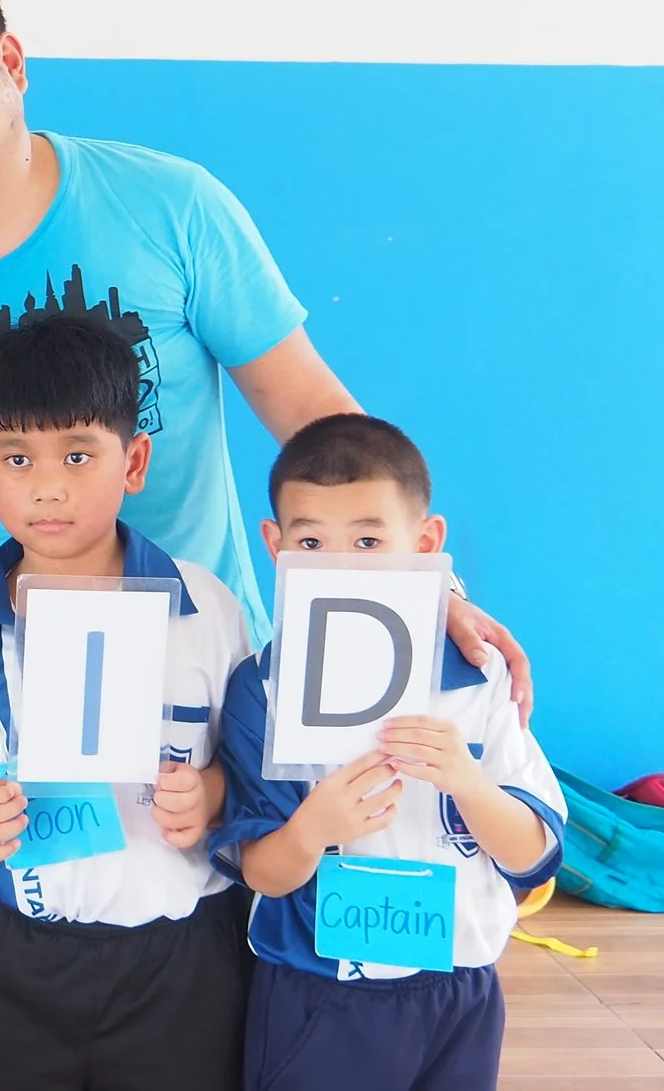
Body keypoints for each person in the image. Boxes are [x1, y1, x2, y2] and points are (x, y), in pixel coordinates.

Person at [0, 0, 530, 768]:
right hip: (3, 704)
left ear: (10, 63)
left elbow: (320, 425)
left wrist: (426, 595)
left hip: (207, 685)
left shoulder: (172, 207)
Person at [0, 310, 252, 1091]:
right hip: (7, 959)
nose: (48, 487)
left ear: (135, 462)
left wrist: (212, 792)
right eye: (18, 458)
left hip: (179, 960)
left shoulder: (211, 612)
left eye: (79, 454)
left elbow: (256, 772)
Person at [211, 414, 564, 1091]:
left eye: (369, 539)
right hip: (319, 992)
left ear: (427, 543)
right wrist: (313, 828)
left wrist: (468, 781)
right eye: (312, 540)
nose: (341, 564)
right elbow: (261, 872)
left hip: (460, 988)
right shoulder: (264, 690)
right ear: (276, 547)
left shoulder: (477, 675)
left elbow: (534, 854)